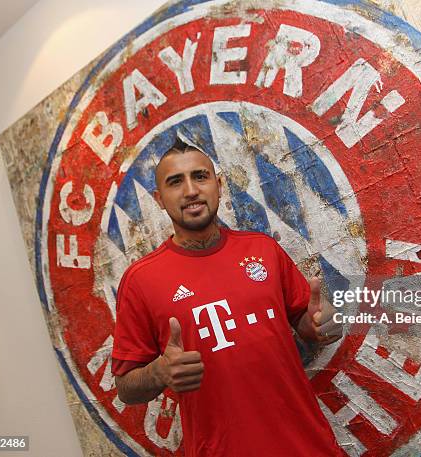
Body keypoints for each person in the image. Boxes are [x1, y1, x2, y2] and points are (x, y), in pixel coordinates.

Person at [112, 135, 344, 456]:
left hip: (310, 446)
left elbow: (306, 323)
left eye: (200, 177)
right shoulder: (141, 281)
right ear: (159, 198)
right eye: (175, 182)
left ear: (218, 185)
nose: (191, 190)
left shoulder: (262, 249)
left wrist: (323, 324)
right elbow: (125, 387)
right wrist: (158, 372)